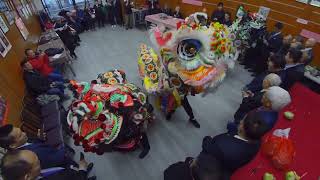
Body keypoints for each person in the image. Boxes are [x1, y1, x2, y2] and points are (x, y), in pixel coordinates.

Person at [202, 111, 269, 178]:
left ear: (242, 128)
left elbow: (208, 148)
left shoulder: (222, 146)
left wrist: (207, 139)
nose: (240, 121)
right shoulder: (258, 142)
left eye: (242, 120)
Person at [0, 125, 86, 169]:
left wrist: (39, 139)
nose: (24, 133)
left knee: (79, 167)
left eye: (21, 131)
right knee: (77, 172)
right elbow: (57, 158)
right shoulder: (28, 155)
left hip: (53, 154)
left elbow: (34, 144)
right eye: (20, 135)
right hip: (61, 163)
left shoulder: (22, 143)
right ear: (12, 145)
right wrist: (63, 149)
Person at [0, 150, 96, 180]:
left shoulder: (34, 173)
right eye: (37, 162)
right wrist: (82, 170)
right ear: (27, 176)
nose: (40, 161)